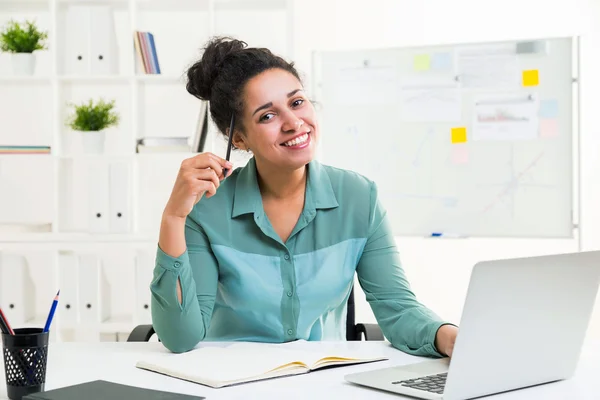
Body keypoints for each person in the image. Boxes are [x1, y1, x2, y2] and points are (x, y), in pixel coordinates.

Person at [150, 36, 458, 356]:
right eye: (267, 116)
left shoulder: (358, 197)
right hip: (231, 382)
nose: (294, 123)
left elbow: (397, 308)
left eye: (297, 102)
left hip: (323, 380)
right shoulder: (208, 208)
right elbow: (180, 337)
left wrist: (449, 337)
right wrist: (173, 217)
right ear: (238, 139)